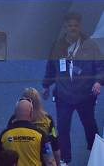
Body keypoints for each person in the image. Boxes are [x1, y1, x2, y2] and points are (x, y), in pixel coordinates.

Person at [43, 12, 103, 165]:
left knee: (90, 124)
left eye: (75, 25)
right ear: (65, 27)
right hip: (63, 95)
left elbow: (100, 66)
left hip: (85, 95)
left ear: (80, 26)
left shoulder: (90, 45)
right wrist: (46, 86)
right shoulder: (57, 46)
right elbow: (51, 67)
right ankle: (64, 158)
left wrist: (98, 82)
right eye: (70, 26)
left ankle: (94, 152)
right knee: (62, 128)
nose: (73, 28)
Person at [7, 88, 61, 166]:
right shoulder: (47, 120)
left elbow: (7, 143)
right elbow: (55, 146)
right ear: (38, 102)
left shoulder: (14, 119)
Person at [0, 98, 56, 166]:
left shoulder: (5, 135)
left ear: (15, 114)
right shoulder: (40, 135)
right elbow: (50, 161)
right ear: (31, 114)